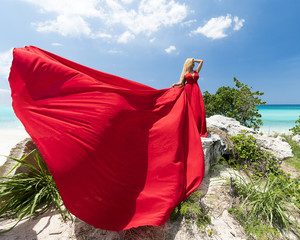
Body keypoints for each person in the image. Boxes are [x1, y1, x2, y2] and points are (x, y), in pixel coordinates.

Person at [8, 46, 205, 231]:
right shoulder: (186, 68)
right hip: (186, 87)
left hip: (193, 90)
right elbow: (183, 78)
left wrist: (193, 69)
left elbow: (200, 64)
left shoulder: (193, 70)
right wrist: (182, 79)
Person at [172, 58, 207, 137]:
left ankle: (198, 128)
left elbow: (201, 61)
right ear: (188, 64)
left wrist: (193, 59)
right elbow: (181, 82)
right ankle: (189, 128)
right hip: (188, 90)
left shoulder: (196, 71)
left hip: (196, 90)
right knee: (190, 109)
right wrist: (175, 84)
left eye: (194, 63)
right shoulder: (185, 73)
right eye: (192, 63)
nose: (194, 65)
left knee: (198, 109)